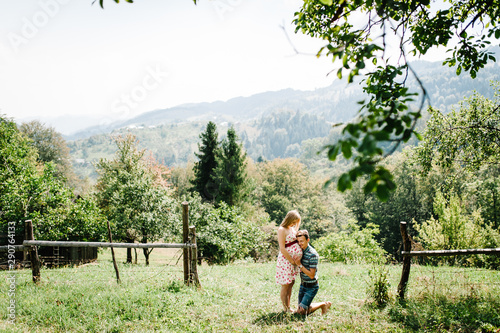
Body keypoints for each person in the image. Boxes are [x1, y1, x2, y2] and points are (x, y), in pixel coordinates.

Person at [293, 229, 331, 315]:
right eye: (298, 241)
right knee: (300, 309)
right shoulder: (300, 251)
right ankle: (306, 306)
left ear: (308, 240)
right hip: (303, 285)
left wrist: (299, 265)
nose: (299, 244)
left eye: (302, 241)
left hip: (311, 287)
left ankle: (323, 304)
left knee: (301, 312)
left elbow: (311, 275)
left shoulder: (313, 254)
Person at [275, 210, 303, 312]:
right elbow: (282, 248)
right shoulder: (282, 230)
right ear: (289, 219)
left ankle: (289, 306)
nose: (294, 224)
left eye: (296, 222)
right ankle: (285, 308)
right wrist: (291, 260)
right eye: (293, 221)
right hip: (286, 260)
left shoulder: (291, 229)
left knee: (291, 283)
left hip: (293, 262)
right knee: (285, 284)